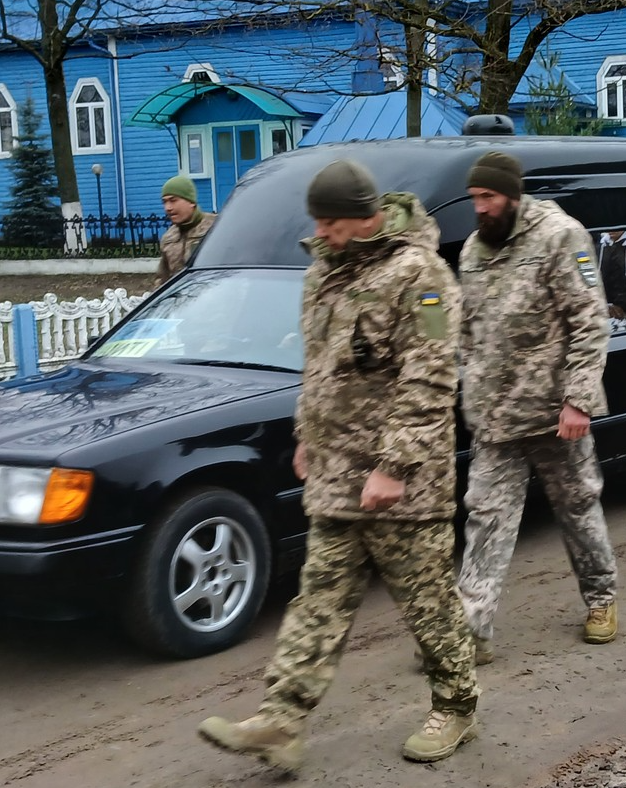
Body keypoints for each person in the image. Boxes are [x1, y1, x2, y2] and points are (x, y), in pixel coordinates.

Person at [198, 161, 477, 771]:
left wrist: (394, 467)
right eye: (317, 222)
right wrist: (307, 435)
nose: (321, 233)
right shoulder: (325, 269)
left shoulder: (421, 274)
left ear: (365, 215)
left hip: (404, 483)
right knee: (318, 598)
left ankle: (456, 705)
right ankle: (282, 719)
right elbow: (320, 364)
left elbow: (431, 379)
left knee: (426, 603)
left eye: (331, 222)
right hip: (334, 472)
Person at [453, 152, 619, 660]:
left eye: (489, 197)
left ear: (512, 194)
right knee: (485, 515)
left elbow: (590, 322)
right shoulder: (471, 253)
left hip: (554, 414)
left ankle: (601, 598)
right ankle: (471, 626)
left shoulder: (560, 236)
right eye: (475, 198)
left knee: (577, 508)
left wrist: (578, 400)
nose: (480, 208)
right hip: (496, 417)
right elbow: (467, 331)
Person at [157, 176, 210, 286]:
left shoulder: (215, 229)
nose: (168, 208)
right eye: (164, 202)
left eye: (173, 200)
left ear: (191, 202)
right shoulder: (169, 238)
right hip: (182, 300)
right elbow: (162, 281)